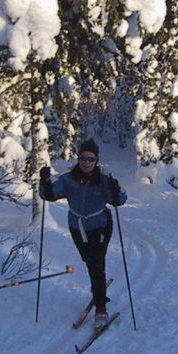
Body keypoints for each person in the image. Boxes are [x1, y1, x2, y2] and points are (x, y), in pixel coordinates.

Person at [39, 139, 126, 329]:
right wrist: (44, 182)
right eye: (83, 158)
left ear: (96, 161)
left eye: (91, 159)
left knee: (96, 263)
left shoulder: (103, 180)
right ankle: (99, 284)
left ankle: (101, 307)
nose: (87, 162)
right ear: (79, 159)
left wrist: (115, 189)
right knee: (89, 260)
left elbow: (119, 201)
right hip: (77, 227)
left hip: (100, 225)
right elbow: (50, 195)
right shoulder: (69, 179)